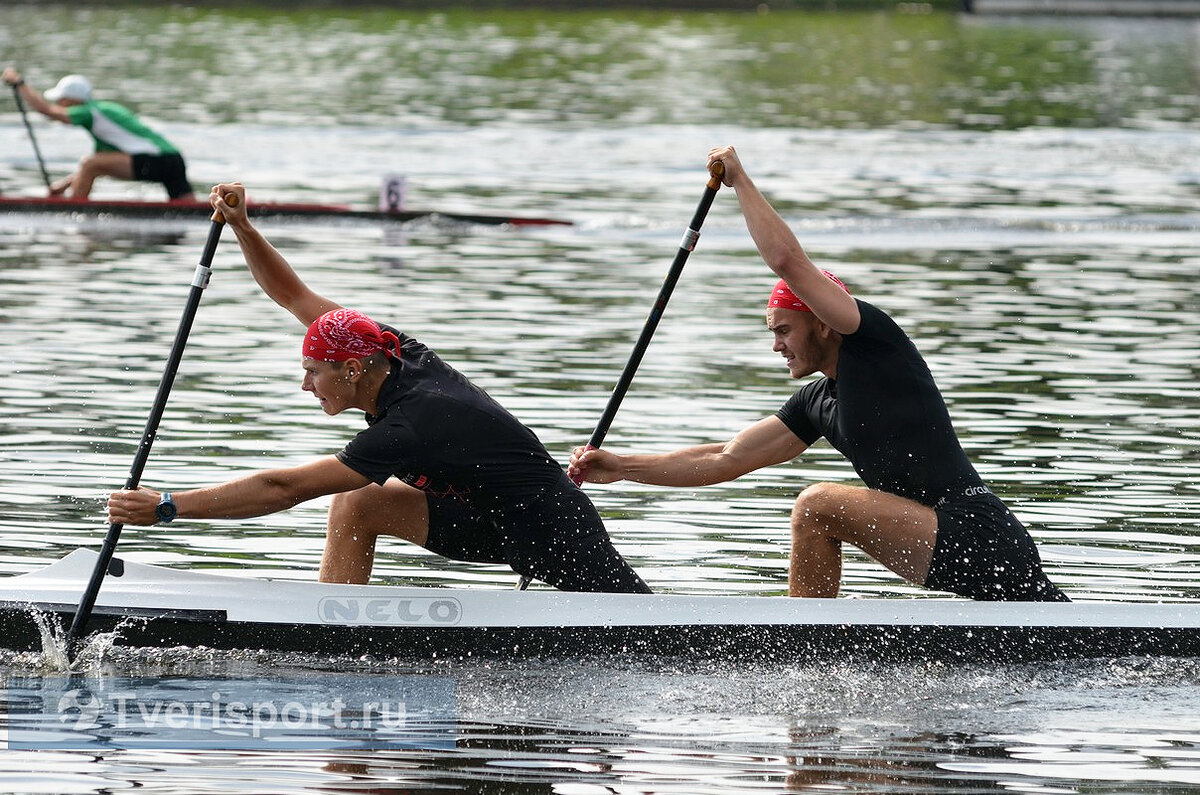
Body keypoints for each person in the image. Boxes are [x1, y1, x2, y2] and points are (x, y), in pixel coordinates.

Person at [569, 145, 1068, 603]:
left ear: (823, 323)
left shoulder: (874, 344)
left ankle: (805, 642)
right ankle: (814, 636)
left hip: (979, 535)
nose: (777, 345)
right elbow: (724, 459)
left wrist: (739, 180)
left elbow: (787, 261)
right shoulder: (815, 402)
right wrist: (622, 466)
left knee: (817, 505)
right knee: (818, 513)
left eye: (785, 330)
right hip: (943, 541)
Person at [106, 182, 651, 594]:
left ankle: (332, 629)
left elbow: (283, 489)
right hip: (485, 519)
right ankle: (334, 623)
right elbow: (293, 296)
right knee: (359, 502)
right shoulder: (388, 347)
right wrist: (243, 227)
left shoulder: (411, 422)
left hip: (553, 534)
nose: (305, 385)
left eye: (313, 372)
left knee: (646, 628)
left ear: (351, 370)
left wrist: (168, 507)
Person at [1, 68, 194, 201]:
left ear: (72, 100)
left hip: (156, 161)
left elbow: (46, 110)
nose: (58, 104)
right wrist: (63, 185)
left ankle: (74, 208)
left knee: (89, 163)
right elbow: (100, 163)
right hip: (173, 160)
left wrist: (19, 83)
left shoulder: (89, 112)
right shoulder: (103, 115)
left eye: (61, 100)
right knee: (188, 208)